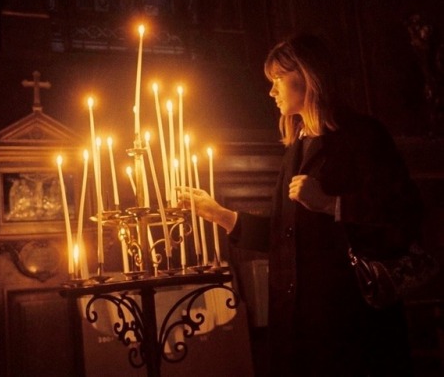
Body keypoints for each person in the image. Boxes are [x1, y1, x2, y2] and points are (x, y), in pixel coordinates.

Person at [179, 33, 424, 376]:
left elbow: (404, 213)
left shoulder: (363, 136)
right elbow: (284, 238)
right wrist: (220, 215)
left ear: (308, 76)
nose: (271, 91)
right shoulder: (296, 148)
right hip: (300, 328)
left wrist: (331, 203)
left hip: (351, 327)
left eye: (278, 79)